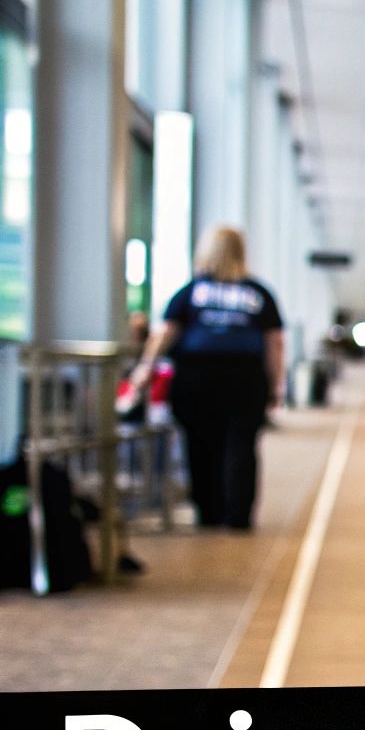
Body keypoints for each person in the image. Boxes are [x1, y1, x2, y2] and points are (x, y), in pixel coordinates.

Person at [128, 226, 284, 530]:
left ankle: (209, 513)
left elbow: (166, 332)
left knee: (200, 446)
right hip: (245, 378)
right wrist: (275, 384)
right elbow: (274, 344)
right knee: (242, 446)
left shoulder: (192, 292)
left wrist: (145, 367)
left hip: (196, 377)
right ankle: (238, 516)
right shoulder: (259, 293)